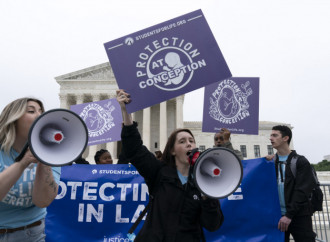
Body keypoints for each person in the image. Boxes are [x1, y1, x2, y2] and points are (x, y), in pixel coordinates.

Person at [116, 89, 224, 241]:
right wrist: (125, 112)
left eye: (191, 141)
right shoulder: (159, 173)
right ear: (172, 150)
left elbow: (213, 225)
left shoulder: (203, 182)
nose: (189, 144)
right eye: (182, 141)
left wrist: (207, 196)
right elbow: (134, 149)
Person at [0, 97, 61, 242]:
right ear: (14, 119)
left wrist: (44, 161)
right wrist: (23, 163)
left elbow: (43, 201)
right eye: (31, 111)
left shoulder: (55, 153)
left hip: (32, 234)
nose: (39, 115)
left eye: (41, 111)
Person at [269, 125, 316, 242]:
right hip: (277, 216)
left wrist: (289, 215)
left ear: (285, 138)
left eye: (275, 135)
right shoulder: (270, 162)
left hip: (299, 216)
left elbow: (302, 190)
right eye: (271, 135)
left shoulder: (300, 161)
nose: (270, 138)